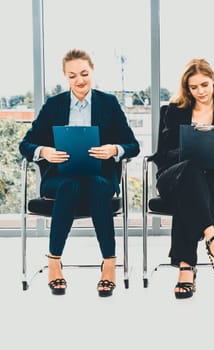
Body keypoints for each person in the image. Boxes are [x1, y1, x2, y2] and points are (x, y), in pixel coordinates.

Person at [19, 49, 140, 297]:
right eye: (72, 75)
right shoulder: (54, 105)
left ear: (92, 71)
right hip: (59, 178)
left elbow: (133, 146)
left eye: (84, 73)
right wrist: (44, 152)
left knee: (94, 184)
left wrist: (113, 149)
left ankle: (109, 264)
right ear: (65, 77)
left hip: (100, 178)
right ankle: (54, 262)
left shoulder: (108, 103)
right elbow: (26, 145)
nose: (80, 80)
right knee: (70, 185)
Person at [152, 58, 214, 299]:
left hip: (210, 180)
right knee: (190, 169)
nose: (200, 92)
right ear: (186, 88)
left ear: (213, 80)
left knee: (188, 195)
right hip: (172, 177)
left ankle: (186, 268)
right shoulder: (174, 111)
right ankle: (213, 237)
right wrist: (188, 150)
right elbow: (162, 153)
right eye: (194, 87)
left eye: (204, 85)